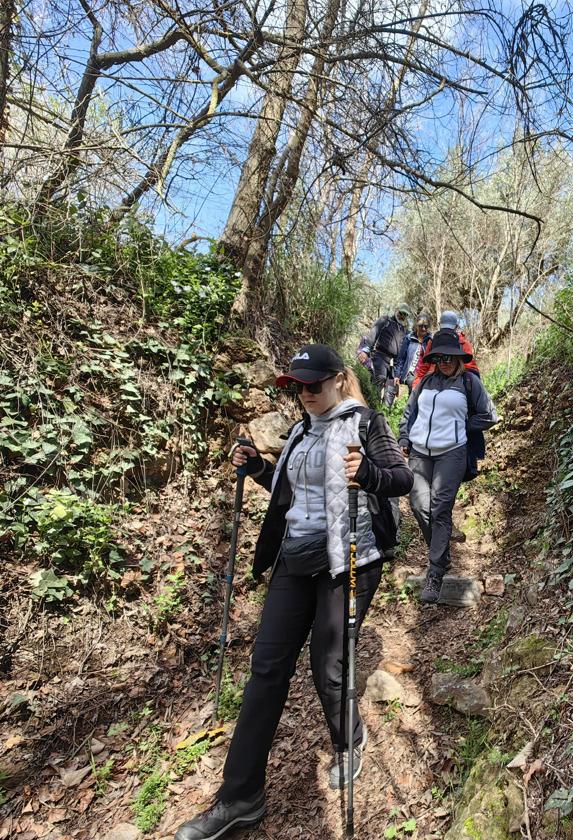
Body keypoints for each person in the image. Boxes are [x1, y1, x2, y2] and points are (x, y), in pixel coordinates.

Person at [175, 344, 412, 840]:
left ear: (338, 379)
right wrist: (258, 468)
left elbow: (401, 478)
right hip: (294, 558)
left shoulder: (366, 424)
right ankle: (239, 797)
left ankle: (349, 742)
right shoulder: (301, 431)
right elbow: (292, 493)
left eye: (313, 384)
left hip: (348, 559)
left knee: (328, 666)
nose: (304, 394)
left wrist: (367, 474)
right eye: (297, 386)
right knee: (265, 669)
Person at [398, 330, 498, 605]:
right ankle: (442, 555)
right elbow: (410, 412)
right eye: (438, 357)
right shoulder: (426, 382)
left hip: (451, 454)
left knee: (440, 508)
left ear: (458, 358)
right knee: (419, 505)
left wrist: (463, 426)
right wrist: (404, 437)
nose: (443, 361)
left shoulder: (469, 382)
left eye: (448, 357)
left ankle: (435, 572)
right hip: (419, 451)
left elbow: (490, 415)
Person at [357, 304, 412, 402]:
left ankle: (386, 413)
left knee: (392, 388)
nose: (402, 316)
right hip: (380, 356)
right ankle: (373, 407)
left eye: (405, 315)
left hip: (394, 363)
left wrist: (401, 372)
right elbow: (373, 333)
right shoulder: (385, 321)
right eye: (401, 313)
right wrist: (365, 350)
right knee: (378, 381)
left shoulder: (405, 332)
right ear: (396, 310)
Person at [412, 310, 479, 387]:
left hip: (456, 383)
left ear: (457, 327)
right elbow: (424, 367)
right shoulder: (433, 342)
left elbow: (471, 369)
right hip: (434, 382)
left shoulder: (463, 343)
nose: (447, 331)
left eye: (450, 328)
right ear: (439, 325)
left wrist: (472, 386)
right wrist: (416, 386)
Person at [393, 314, 430, 398]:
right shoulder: (409, 338)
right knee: (413, 386)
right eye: (421, 326)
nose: (423, 328)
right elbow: (401, 358)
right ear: (416, 326)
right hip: (411, 373)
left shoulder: (430, 340)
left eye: (426, 326)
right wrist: (397, 375)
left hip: (425, 374)